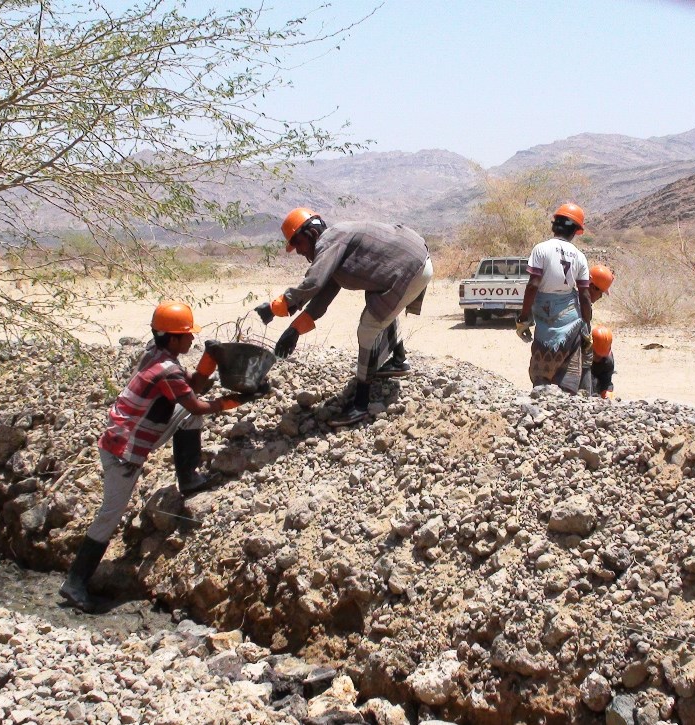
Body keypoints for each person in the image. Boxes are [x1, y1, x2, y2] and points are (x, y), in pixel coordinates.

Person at [59, 301, 261, 612]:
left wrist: (210, 360)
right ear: (173, 338)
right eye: (187, 336)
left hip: (125, 437)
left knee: (189, 417)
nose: (191, 340)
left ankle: (189, 479)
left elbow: (189, 391)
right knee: (109, 515)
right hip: (124, 450)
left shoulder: (155, 355)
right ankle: (75, 583)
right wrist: (231, 402)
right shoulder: (167, 368)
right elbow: (194, 402)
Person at [255, 208, 434, 426]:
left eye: (298, 244)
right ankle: (398, 361)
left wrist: (277, 307)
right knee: (380, 307)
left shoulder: (330, 241)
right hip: (413, 262)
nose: (300, 252)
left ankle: (360, 405)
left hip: (410, 267)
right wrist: (294, 330)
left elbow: (313, 283)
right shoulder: (335, 247)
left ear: (311, 233)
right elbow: (322, 297)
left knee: (367, 329)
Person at [516, 203, 613, 393]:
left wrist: (523, 317)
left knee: (541, 374)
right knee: (571, 374)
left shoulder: (541, 249)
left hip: (544, 320)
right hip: (571, 319)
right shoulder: (579, 257)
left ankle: (542, 400)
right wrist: (586, 326)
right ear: (576, 231)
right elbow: (584, 295)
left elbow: (533, 285)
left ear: (554, 225)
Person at [580, 325, 617, 399]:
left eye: (601, 356)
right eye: (596, 354)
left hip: (598, 380)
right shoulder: (581, 355)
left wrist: (606, 392)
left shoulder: (608, 360)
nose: (599, 358)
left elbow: (606, 380)